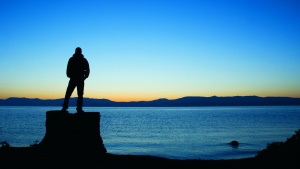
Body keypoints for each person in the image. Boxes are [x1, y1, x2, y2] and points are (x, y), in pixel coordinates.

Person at [62, 47, 90, 113]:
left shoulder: (81, 60)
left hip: (78, 79)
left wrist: (85, 77)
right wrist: (84, 77)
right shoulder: (74, 60)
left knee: (77, 94)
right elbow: (68, 70)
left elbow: (87, 70)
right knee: (69, 94)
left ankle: (78, 108)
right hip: (75, 79)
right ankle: (68, 107)